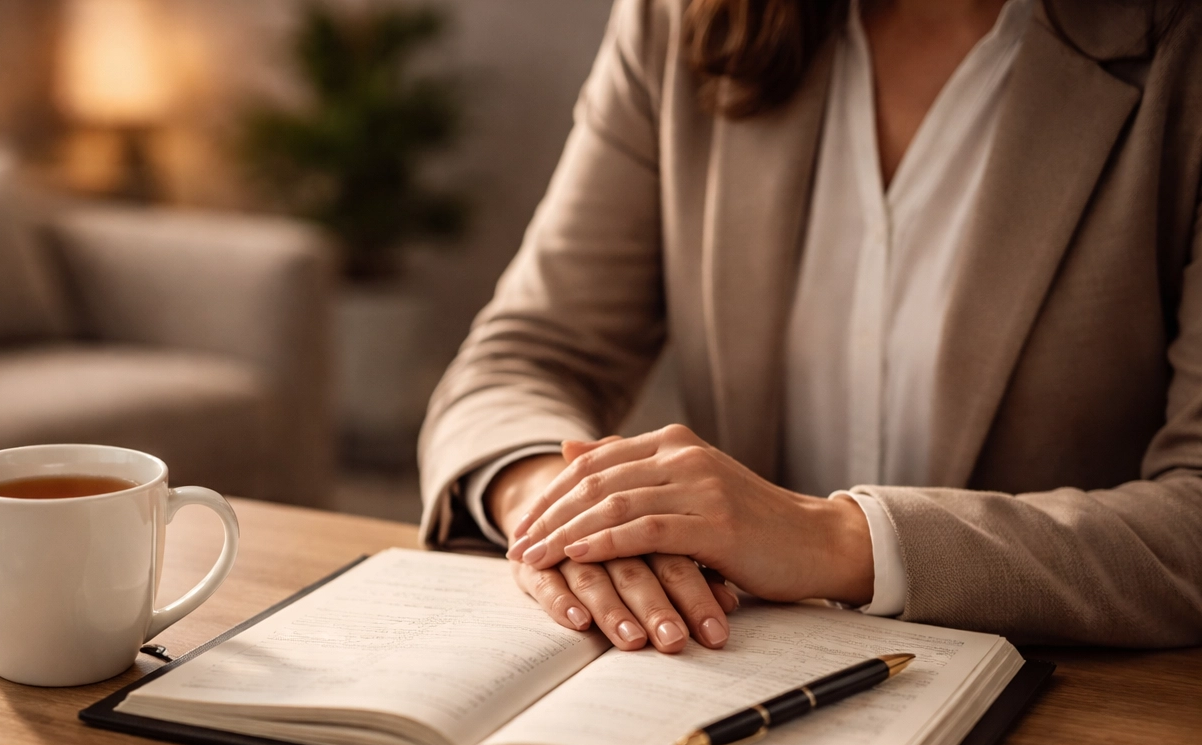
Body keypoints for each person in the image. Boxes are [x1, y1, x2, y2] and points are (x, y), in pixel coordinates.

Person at [417, 0, 1202, 652]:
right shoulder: (681, 17)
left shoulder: (1179, 51)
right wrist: (569, 507)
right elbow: (525, 356)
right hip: (730, 669)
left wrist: (835, 540)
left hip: (1071, 715)